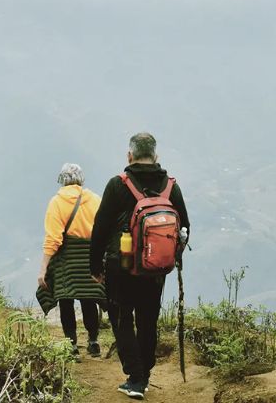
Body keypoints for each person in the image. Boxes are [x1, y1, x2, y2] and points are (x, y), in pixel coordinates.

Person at [90, 133, 190, 400]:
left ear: (130, 156)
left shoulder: (117, 185)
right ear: (156, 157)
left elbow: (100, 228)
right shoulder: (171, 187)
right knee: (148, 320)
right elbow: (184, 228)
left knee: (122, 318)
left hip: (120, 266)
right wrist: (169, 257)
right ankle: (144, 374)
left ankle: (135, 377)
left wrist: (95, 267)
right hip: (155, 269)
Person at [38, 163, 106, 358]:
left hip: (66, 260)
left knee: (65, 300)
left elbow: (53, 239)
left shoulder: (56, 202)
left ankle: (72, 345)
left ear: (62, 180)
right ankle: (93, 342)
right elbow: (103, 230)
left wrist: (43, 268)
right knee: (88, 298)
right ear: (81, 179)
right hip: (90, 258)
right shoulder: (95, 200)